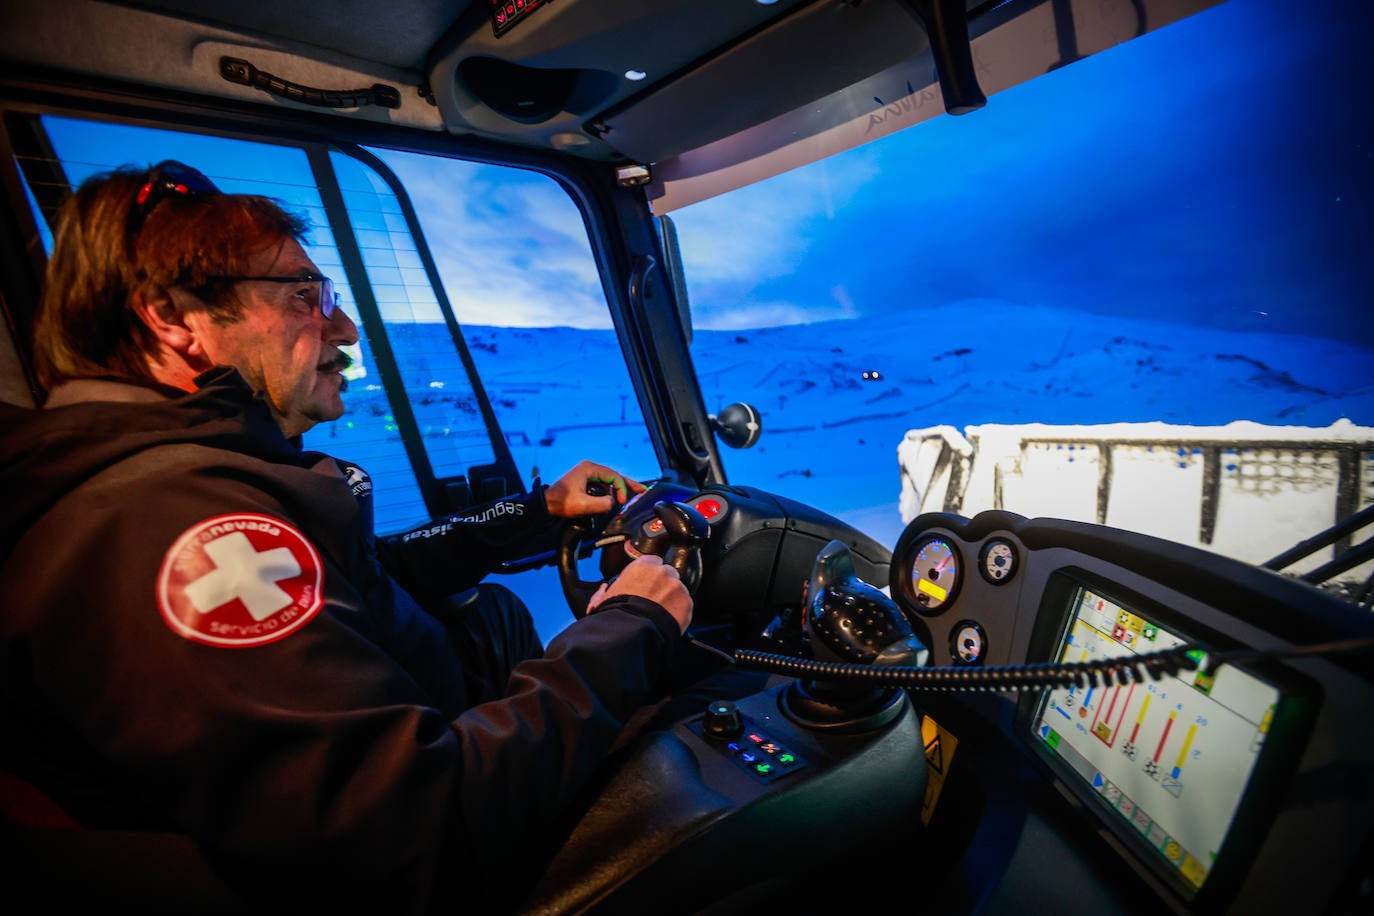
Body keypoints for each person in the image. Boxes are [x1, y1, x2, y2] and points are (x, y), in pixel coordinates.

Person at [0, 161, 707, 912]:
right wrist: (630, 626)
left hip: (452, 744)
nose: (342, 328)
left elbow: (370, 576)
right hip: (459, 845)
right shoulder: (179, 527)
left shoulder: (197, 478)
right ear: (174, 319)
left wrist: (536, 514)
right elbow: (414, 836)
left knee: (495, 609)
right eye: (306, 296)